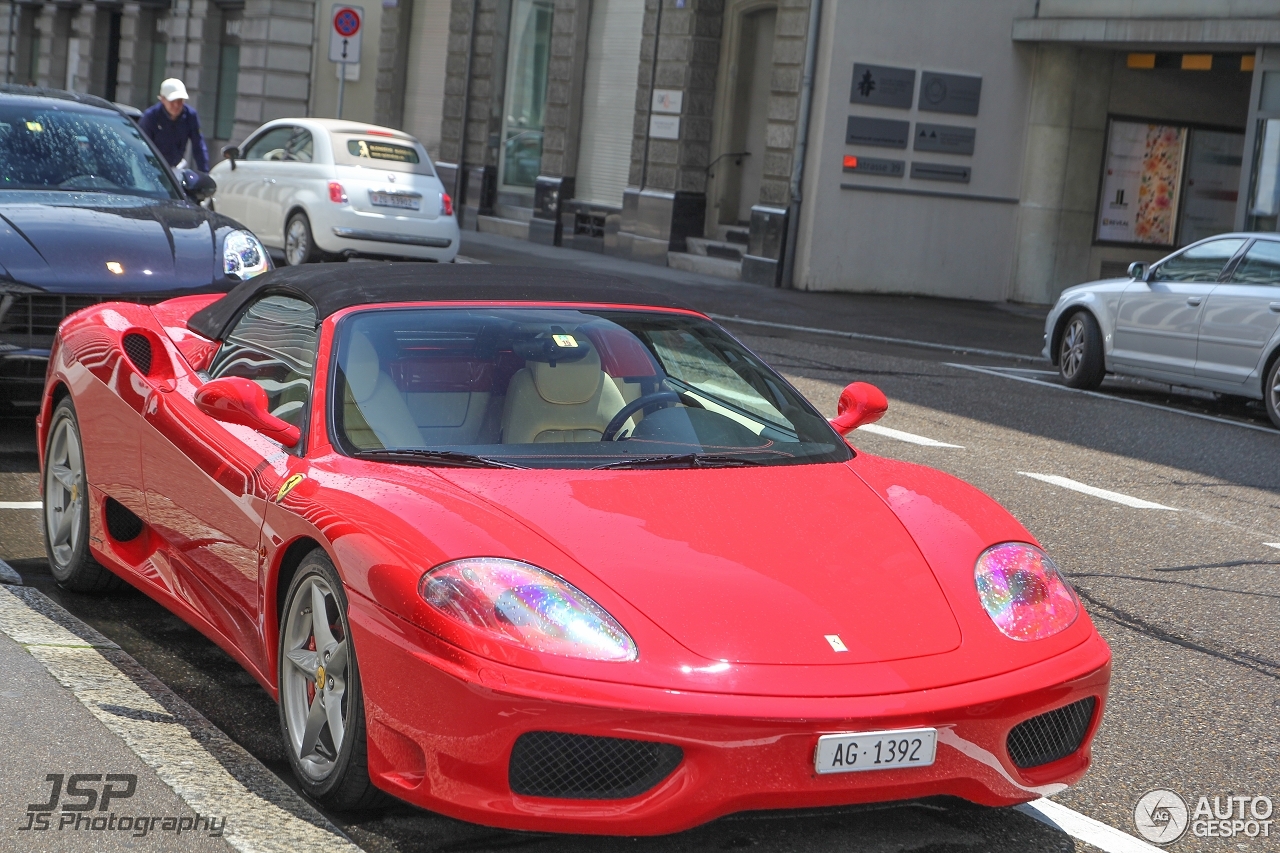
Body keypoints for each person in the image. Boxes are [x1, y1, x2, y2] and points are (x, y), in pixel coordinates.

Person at [138, 78, 210, 173]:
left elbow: (198, 145)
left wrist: (204, 172)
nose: (176, 105)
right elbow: (141, 148)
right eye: (172, 101)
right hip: (151, 168)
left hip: (177, 167)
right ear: (162, 99)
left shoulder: (190, 115)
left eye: (180, 100)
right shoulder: (150, 117)